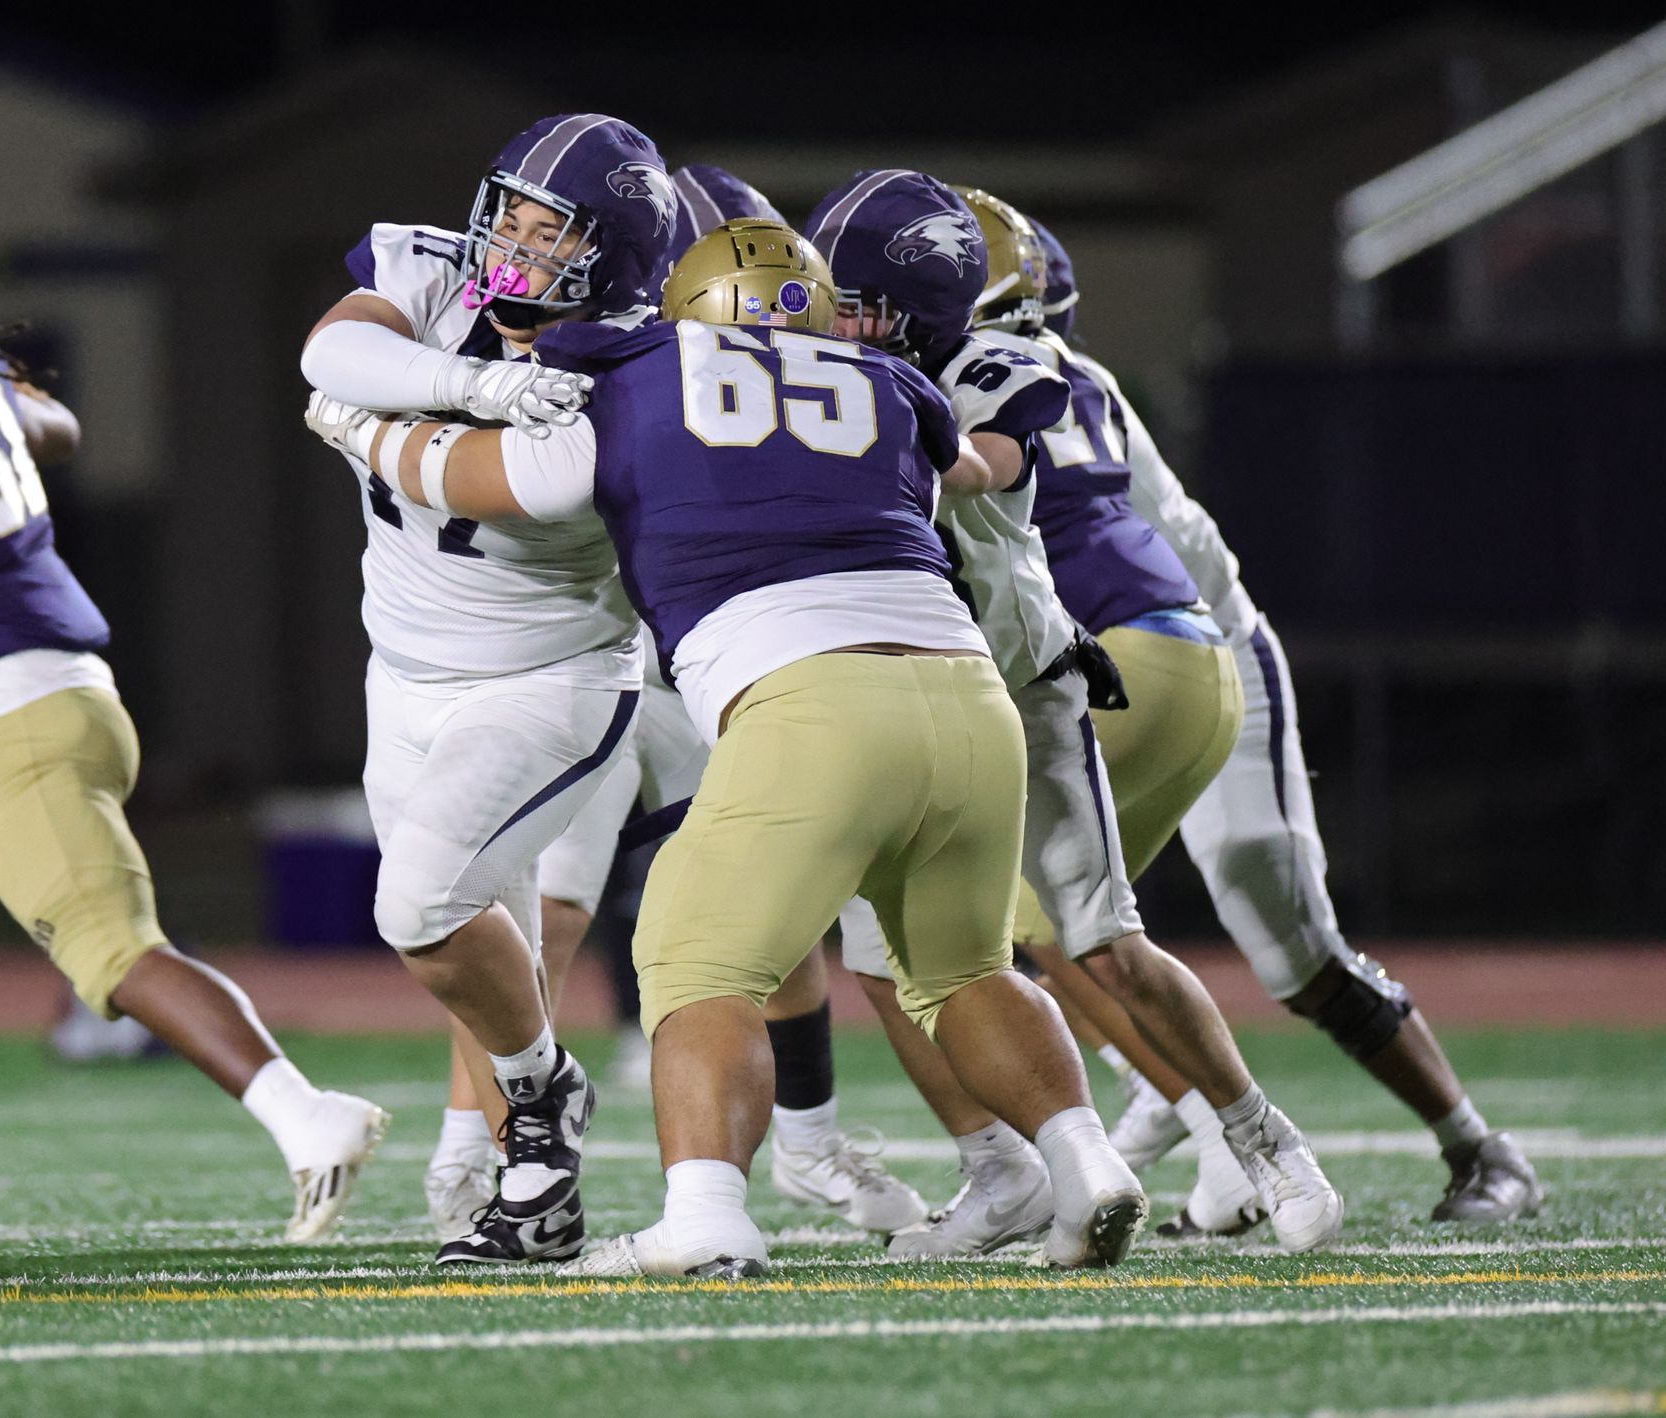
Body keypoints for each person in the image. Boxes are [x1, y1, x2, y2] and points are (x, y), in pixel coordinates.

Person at [306, 216, 1148, 1279]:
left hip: (810, 691)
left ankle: (704, 1213)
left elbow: (505, 464)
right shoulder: (893, 384)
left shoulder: (633, 361)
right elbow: (956, 483)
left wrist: (362, 429)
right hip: (966, 693)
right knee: (967, 969)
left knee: (694, 962)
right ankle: (1085, 1163)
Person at [0, 206, 385, 1242]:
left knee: (114, 952)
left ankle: (310, 1115)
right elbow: (62, 427)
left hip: (16, 723)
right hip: (35, 713)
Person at [812, 172, 1342, 1253]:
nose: (837, 319)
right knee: (877, 949)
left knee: (1099, 940)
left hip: (1027, 689)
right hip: (912, 697)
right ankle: (1005, 1169)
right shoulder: (831, 375)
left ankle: (1262, 1137)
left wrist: (840, 421)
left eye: (858, 299)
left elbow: (975, 465)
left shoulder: (1001, 366)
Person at [1017, 212, 1540, 1224]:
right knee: (1038, 909)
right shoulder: (978, 383)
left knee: (1284, 935)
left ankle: (1478, 1144)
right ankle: (1183, 1104)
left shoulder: (1035, 386)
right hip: (1096, 666)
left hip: (1201, 648)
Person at [524, 163, 928, 1241]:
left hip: (718, 650)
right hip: (613, 643)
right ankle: (484, 1157)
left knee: (740, 929)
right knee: (550, 903)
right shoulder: (857, 371)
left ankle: (785, 1154)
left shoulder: (634, 349)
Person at [299, 114, 670, 1265]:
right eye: (506, 206)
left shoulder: (632, 366)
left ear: (608, 254)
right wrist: (476, 383)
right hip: (399, 675)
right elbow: (329, 356)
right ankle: (538, 1172)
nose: (509, 236)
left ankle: (539, 1106)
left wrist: (373, 431)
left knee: (418, 906)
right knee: (476, 946)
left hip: (544, 680)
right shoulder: (430, 274)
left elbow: (492, 482)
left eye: (545, 226)